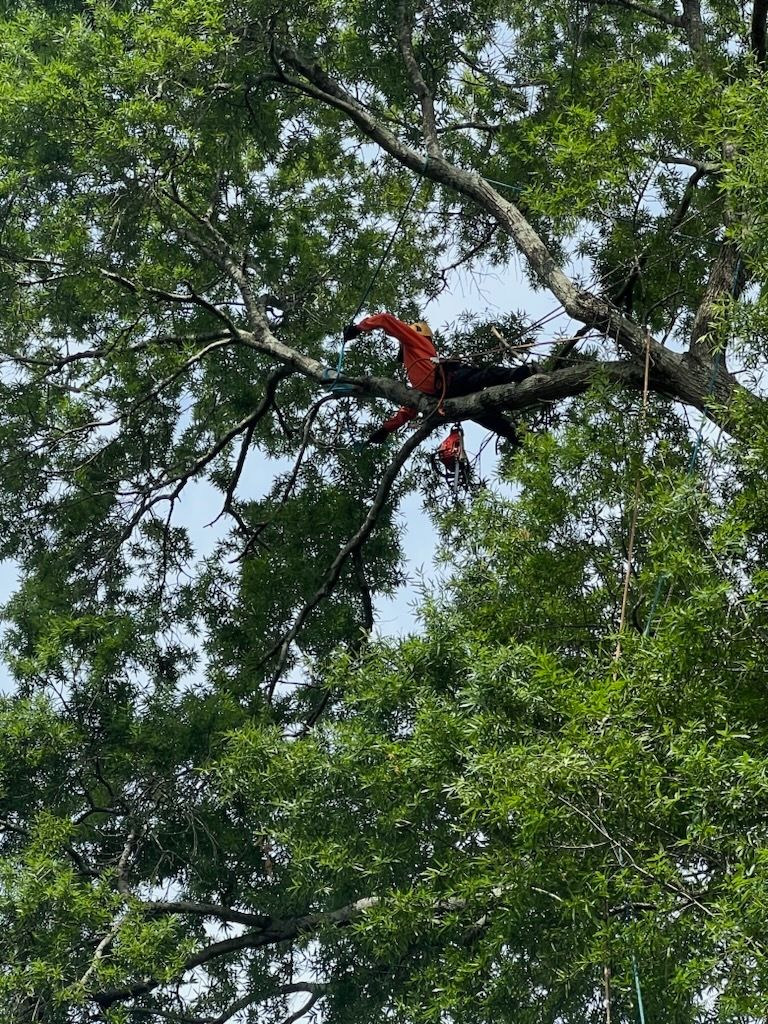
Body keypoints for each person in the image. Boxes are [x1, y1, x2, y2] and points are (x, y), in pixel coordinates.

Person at [343, 312, 537, 444]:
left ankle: (520, 373)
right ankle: (523, 440)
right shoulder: (416, 375)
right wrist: (385, 430)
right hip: (449, 394)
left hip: (451, 380)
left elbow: (385, 319)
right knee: (487, 416)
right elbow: (409, 409)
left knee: (484, 376)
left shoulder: (415, 341)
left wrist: (359, 329)